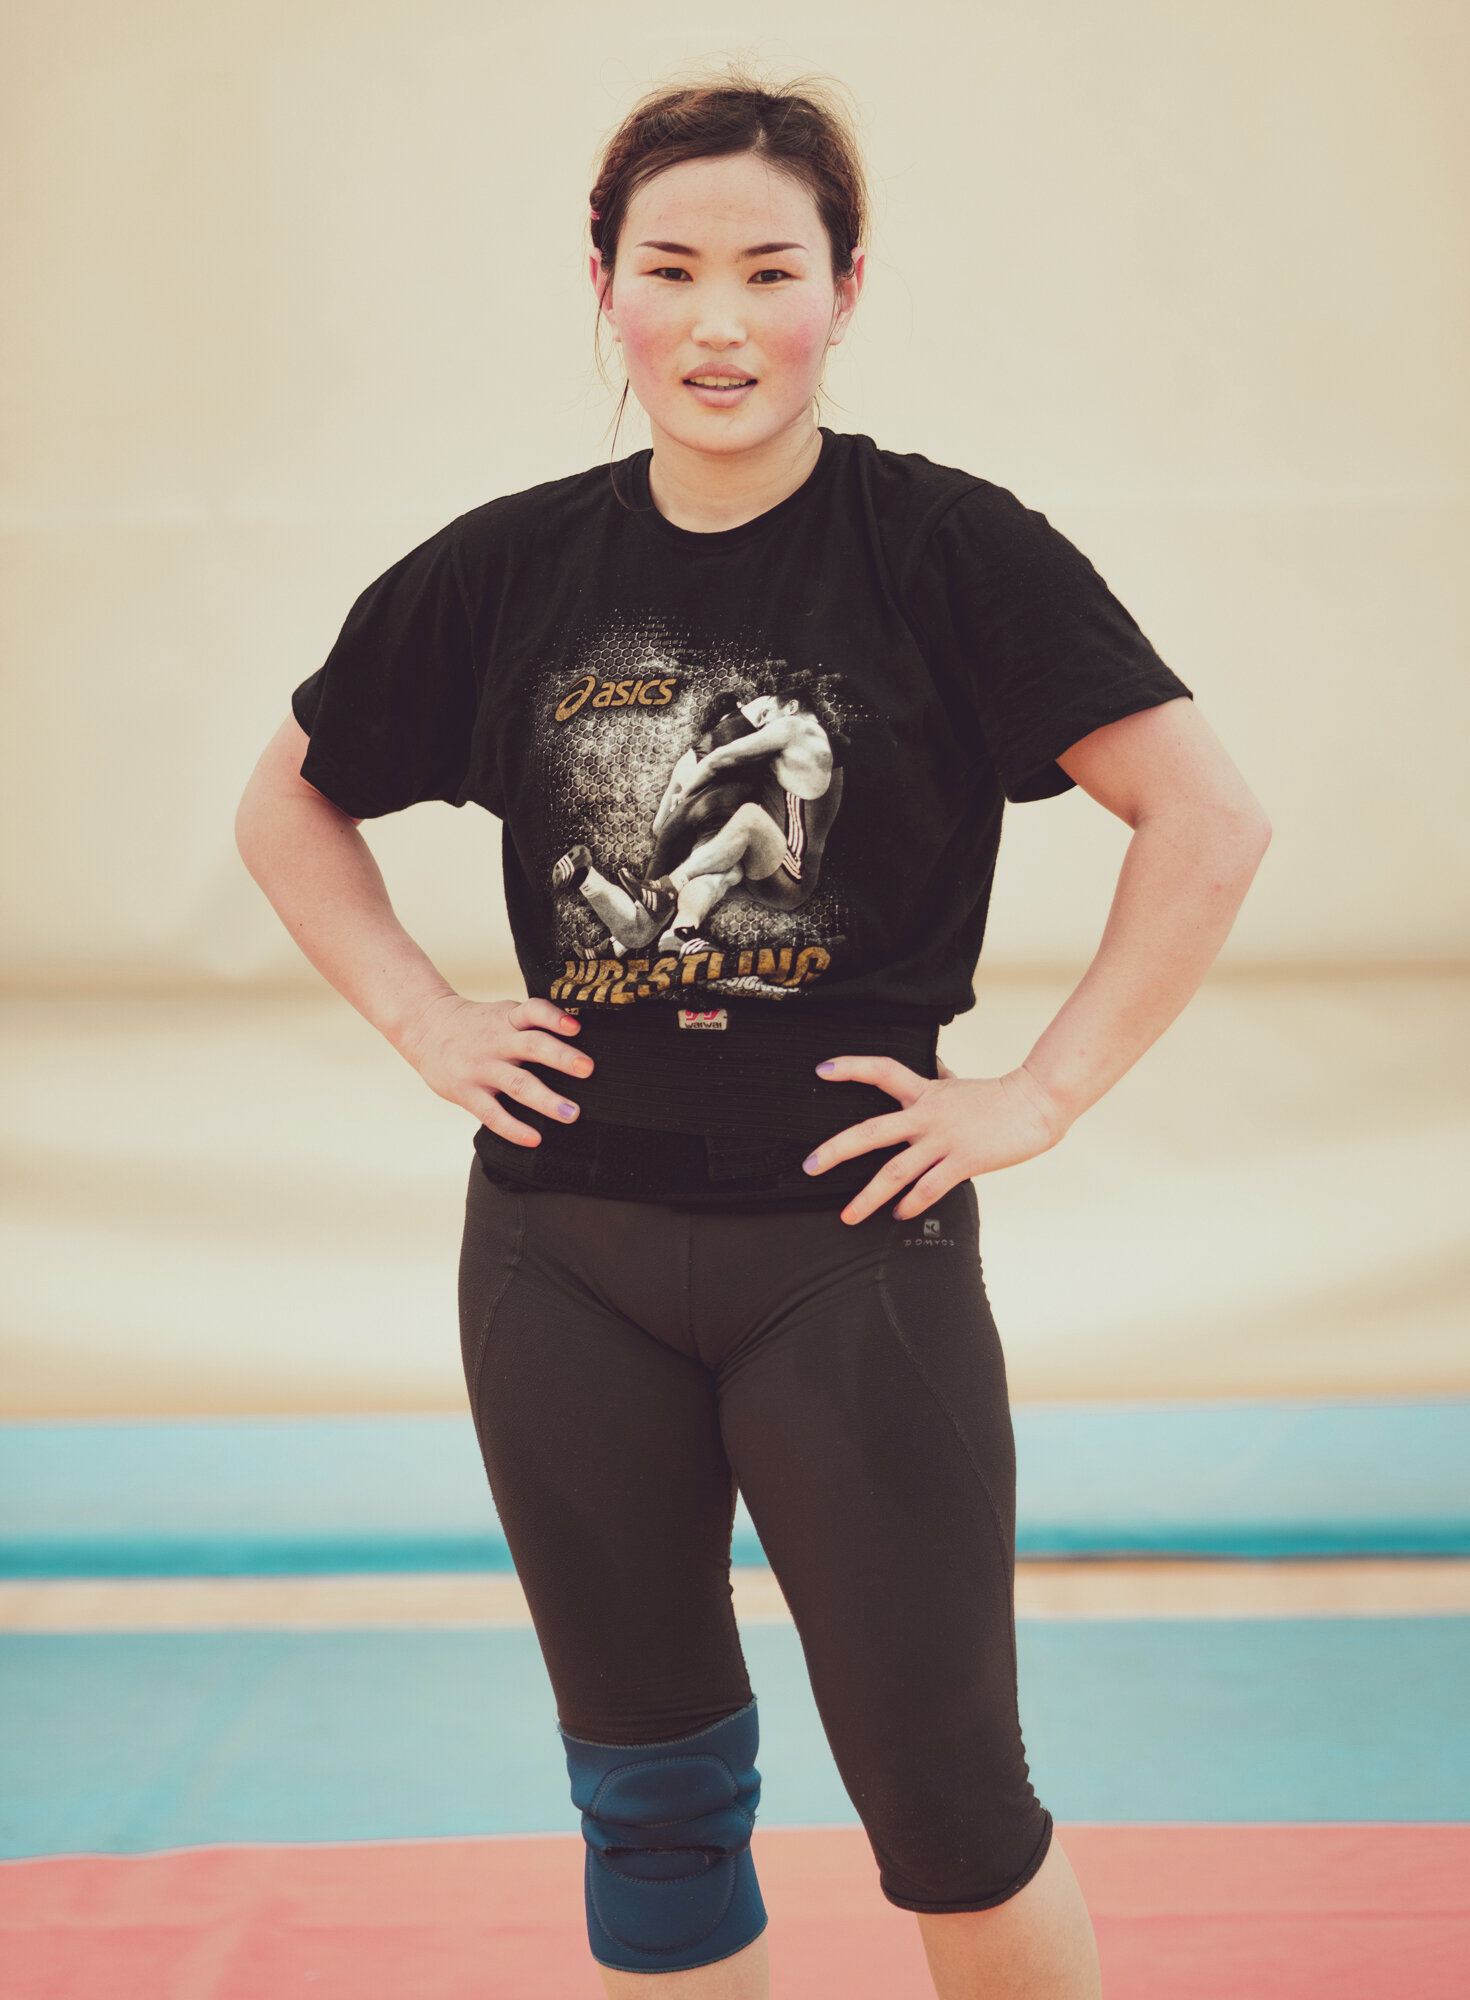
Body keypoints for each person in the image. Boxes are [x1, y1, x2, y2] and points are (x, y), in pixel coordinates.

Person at [235, 70, 1270, 2000]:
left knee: (950, 1807)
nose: (718, 320)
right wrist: (422, 1017)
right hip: (559, 1254)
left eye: (768, 271)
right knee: (649, 1804)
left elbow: (1206, 816)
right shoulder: (507, 566)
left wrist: (1037, 1094)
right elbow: (285, 801)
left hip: (848, 1256)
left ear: (844, 291)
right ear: (605, 286)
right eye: (671, 267)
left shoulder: (946, 550)